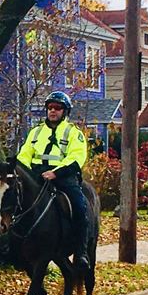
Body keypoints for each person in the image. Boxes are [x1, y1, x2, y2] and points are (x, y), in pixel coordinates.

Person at [16, 91, 90, 270]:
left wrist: (56, 173)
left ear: (65, 111)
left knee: (79, 207)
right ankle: (11, 247)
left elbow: (76, 157)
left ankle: (81, 252)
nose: (53, 111)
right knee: (15, 203)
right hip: (37, 176)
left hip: (63, 178)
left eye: (57, 108)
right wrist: (27, 173)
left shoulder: (73, 132)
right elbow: (24, 155)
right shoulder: (36, 132)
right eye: (50, 108)